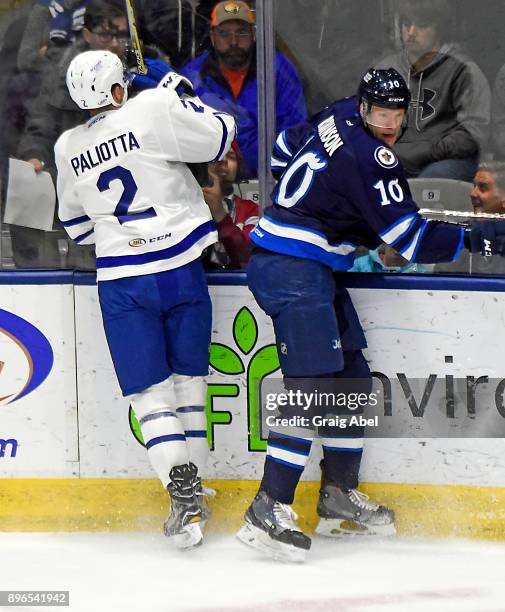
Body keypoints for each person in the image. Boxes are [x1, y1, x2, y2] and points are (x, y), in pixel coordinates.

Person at [236, 67, 505, 563]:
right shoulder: (373, 158)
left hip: (310, 267)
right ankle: (268, 507)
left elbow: (279, 149)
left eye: (396, 115)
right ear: (364, 107)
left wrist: (324, 205)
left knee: (353, 378)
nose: (388, 124)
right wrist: (479, 238)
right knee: (313, 388)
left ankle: (338, 496)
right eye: (380, 113)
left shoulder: (337, 112)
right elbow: (411, 240)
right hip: (294, 270)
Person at [54, 50, 235, 548]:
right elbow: (222, 133)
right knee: (189, 385)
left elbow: (77, 228)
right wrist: (179, 88)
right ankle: (194, 494)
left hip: (123, 281)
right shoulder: (152, 105)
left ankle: (185, 499)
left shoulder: (68, 145)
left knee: (150, 396)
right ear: (119, 88)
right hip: (181, 270)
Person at [181, 0, 307, 175]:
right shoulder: (192, 77)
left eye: (241, 33)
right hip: (212, 181)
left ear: (254, 34)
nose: (233, 42)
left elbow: (294, 132)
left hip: (268, 179)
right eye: (224, 34)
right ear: (212, 37)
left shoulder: (278, 70)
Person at [377, 0, 490, 181]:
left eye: (421, 25)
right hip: (393, 156)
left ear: (439, 29)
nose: (411, 32)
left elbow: (473, 133)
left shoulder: (463, 71)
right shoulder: (386, 68)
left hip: (444, 160)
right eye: (407, 24)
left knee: (431, 179)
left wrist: (425, 151)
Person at [202, 141, 259, 268]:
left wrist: (219, 212)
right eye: (215, 157)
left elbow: (247, 259)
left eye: (231, 156)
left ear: (239, 167)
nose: (223, 160)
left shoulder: (251, 209)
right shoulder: (188, 206)